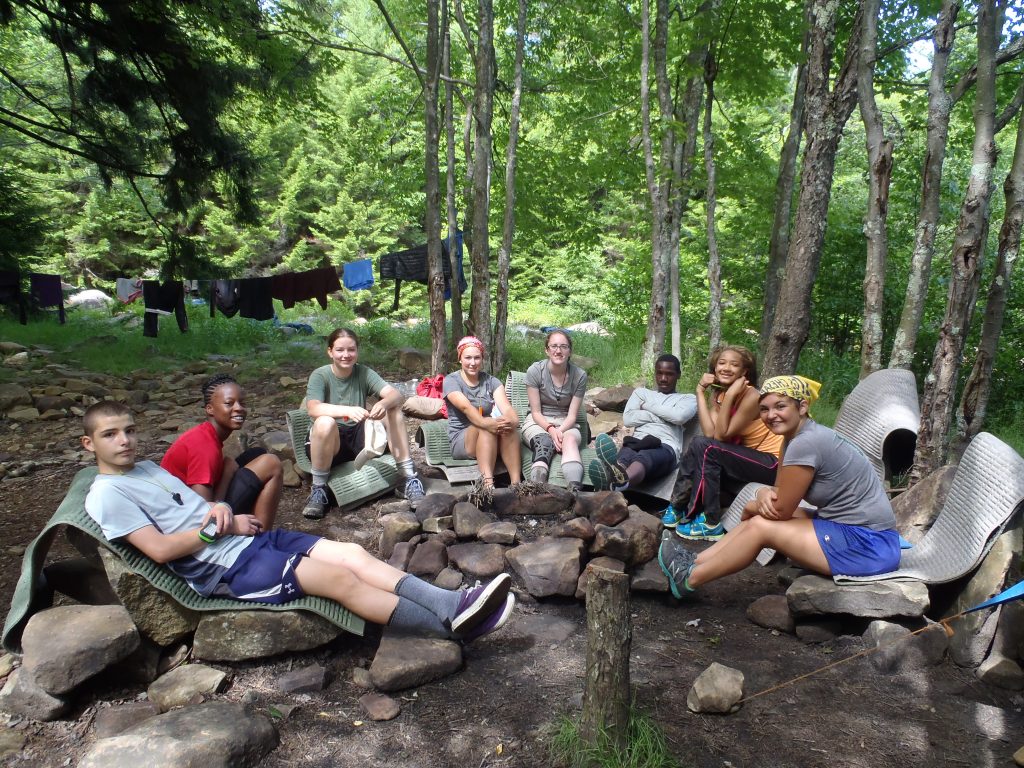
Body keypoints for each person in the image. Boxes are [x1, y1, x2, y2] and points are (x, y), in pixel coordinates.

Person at [81, 401, 514, 642]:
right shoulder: (108, 493)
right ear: (89, 443)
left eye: (130, 430)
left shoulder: (145, 468)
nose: (125, 440)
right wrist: (220, 528)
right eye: (110, 435)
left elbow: (190, 506)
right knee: (340, 580)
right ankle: (451, 633)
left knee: (350, 553)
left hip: (243, 543)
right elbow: (157, 550)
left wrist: (218, 508)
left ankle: (450, 606)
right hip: (224, 569)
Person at [658, 375, 901, 599]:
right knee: (758, 518)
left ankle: (689, 578)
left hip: (868, 545)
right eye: (764, 409)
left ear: (802, 407)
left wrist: (754, 504)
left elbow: (781, 510)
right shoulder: (793, 439)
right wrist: (762, 494)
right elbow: (777, 491)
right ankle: (694, 560)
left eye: (780, 406)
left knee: (761, 527)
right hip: (842, 527)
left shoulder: (807, 442)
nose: (771, 415)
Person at [303, 328, 426, 519]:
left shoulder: (363, 372)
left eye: (351, 350)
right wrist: (347, 410)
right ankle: (318, 489)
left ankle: (409, 478)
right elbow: (313, 408)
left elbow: (395, 394)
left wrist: (383, 403)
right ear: (330, 352)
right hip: (328, 444)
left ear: (357, 351)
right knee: (325, 422)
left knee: (393, 411)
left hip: (360, 440)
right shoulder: (321, 375)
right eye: (340, 350)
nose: (346, 355)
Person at [666, 345, 783, 541]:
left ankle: (710, 522)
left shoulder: (752, 395)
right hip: (748, 460)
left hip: (772, 464)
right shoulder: (720, 395)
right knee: (699, 443)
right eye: (721, 363)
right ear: (714, 368)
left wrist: (729, 396)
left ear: (744, 371)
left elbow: (721, 437)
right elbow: (709, 432)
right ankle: (677, 506)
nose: (726, 368)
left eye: (734, 364)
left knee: (706, 447)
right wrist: (700, 391)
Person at [161, 374, 283, 532]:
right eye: (229, 403)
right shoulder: (203, 445)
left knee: (257, 454)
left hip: (194, 506)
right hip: (187, 522)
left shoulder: (207, 434)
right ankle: (262, 540)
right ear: (210, 409)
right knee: (270, 463)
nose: (239, 408)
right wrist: (226, 474)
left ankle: (253, 528)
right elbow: (203, 510)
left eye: (242, 402)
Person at [590, 354, 697, 492]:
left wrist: (647, 406)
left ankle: (618, 483)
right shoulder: (641, 393)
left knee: (644, 457)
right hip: (637, 441)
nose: (663, 378)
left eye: (669, 374)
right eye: (659, 373)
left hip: (666, 446)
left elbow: (679, 417)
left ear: (678, 375)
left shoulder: (688, 399)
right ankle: (613, 478)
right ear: (655, 373)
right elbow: (628, 419)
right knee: (626, 455)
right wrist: (663, 417)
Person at [443, 336, 522, 489]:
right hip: (462, 439)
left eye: (477, 358)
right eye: (468, 358)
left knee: (508, 428)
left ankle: (516, 484)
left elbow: (507, 408)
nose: (473, 363)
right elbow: (465, 407)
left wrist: (511, 421)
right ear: (460, 359)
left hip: (487, 432)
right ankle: (488, 485)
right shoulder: (451, 380)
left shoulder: (491, 381)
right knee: (485, 428)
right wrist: (487, 423)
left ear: (482, 359)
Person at [522, 330, 588, 488]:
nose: (558, 351)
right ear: (547, 350)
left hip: (566, 422)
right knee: (544, 442)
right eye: (554, 346)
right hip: (538, 421)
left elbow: (572, 416)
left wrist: (559, 432)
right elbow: (536, 412)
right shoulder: (535, 371)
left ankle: (574, 492)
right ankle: (536, 489)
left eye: (564, 346)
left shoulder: (579, 375)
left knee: (569, 440)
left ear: (570, 351)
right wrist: (551, 431)